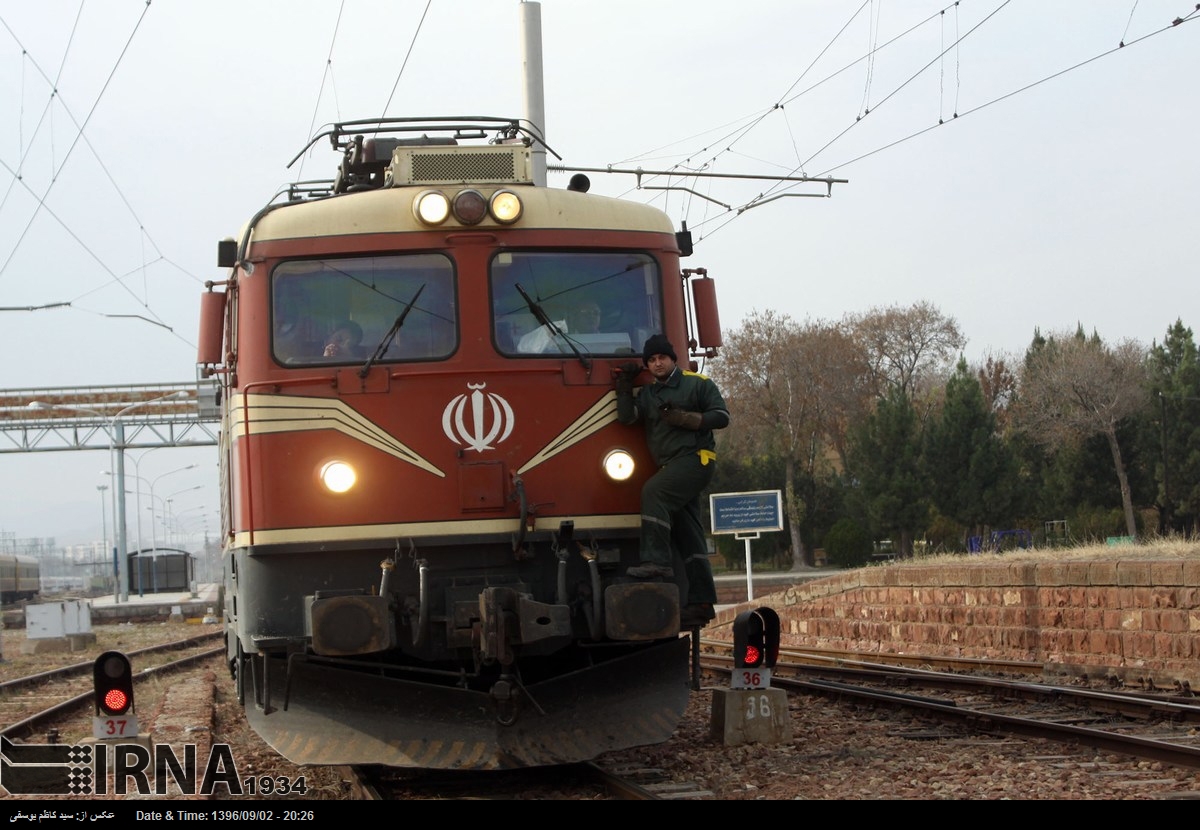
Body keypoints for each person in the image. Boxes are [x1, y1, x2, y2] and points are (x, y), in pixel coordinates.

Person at [614, 334, 730, 628]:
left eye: (661, 358)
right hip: (672, 465)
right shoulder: (650, 395)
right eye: (651, 361)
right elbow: (628, 418)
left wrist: (687, 419)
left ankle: (657, 562)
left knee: (654, 491)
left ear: (672, 359)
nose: (657, 364)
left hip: (696, 459)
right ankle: (702, 603)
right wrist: (624, 385)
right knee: (689, 533)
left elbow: (721, 416)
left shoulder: (697, 383)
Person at [517, 299, 602, 352]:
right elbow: (528, 349)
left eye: (595, 313)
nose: (591, 316)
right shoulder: (561, 338)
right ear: (574, 317)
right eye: (586, 313)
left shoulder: (610, 338)